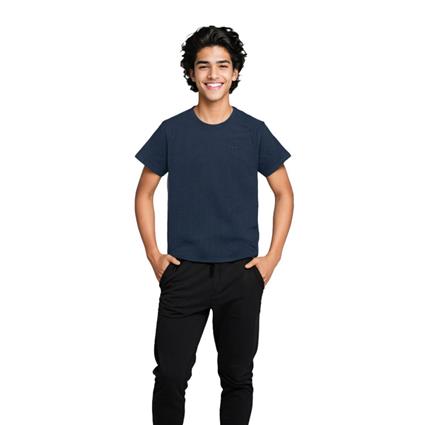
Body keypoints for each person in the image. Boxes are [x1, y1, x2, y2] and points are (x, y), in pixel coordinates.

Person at [134, 25, 294, 425]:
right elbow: (144, 193)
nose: (213, 74)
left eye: (222, 65)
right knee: (170, 376)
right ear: (191, 73)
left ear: (235, 72)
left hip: (241, 273)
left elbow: (284, 193)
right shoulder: (172, 131)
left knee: (237, 377)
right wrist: (154, 255)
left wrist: (272, 258)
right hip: (183, 272)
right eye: (203, 65)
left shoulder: (253, 131)